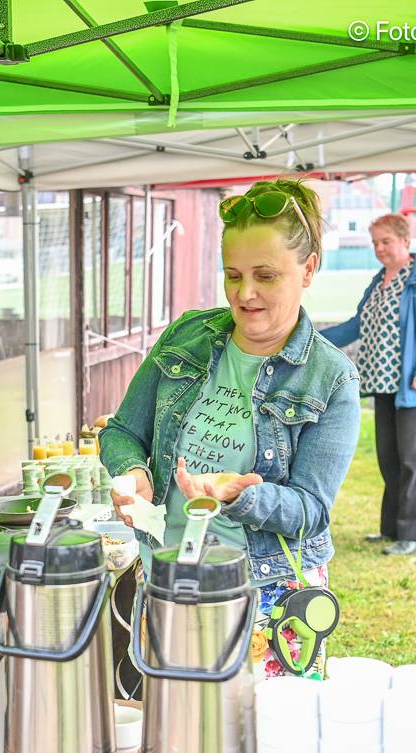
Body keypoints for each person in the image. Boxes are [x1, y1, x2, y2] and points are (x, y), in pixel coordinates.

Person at [101, 179, 360, 679]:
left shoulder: (330, 378)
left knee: (259, 745)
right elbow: (121, 432)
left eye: (266, 275)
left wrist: (241, 497)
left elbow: (311, 510)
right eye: (233, 274)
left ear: (308, 269)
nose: (245, 293)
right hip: (167, 581)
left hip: (263, 600)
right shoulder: (187, 338)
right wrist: (132, 472)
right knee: (172, 737)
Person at [319, 213, 416, 556]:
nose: (379, 249)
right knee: (391, 457)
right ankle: (393, 528)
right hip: (384, 382)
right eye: (375, 243)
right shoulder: (378, 280)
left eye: (386, 242)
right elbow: (358, 323)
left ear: (405, 242)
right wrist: (314, 339)